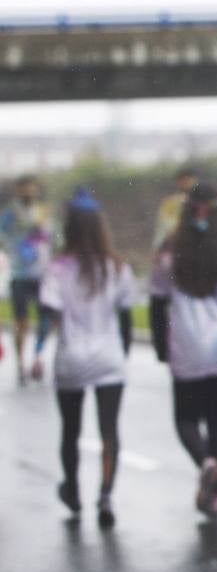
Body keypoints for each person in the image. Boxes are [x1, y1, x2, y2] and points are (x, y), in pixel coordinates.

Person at [33, 189, 139, 527]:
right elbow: (124, 318)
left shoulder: (58, 269)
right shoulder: (116, 267)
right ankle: (106, 494)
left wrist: (36, 354)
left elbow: (48, 315)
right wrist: (122, 354)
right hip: (109, 357)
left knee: (70, 430)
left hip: (71, 358)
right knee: (109, 429)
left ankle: (73, 490)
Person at [149, 183, 217, 519]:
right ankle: (215, 496)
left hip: (188, 343)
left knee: (185, 419)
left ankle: (204, 462)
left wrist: (161, 347)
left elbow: (156, 302)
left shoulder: (169, 252)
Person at [0, 175, 54, 385]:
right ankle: (21, 363)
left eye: (32, 189)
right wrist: (16, 246)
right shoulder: (10, 214)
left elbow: (56, 237)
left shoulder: (44, 212)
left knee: (45, 321)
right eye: (24, 189)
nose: (29, 193)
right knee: (20, 321)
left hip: (42, 274)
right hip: (20, 274)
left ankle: (38, 356)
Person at [152, 166, 199, 252]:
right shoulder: (170, 202)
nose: (186, 182)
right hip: (176, 242)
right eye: (183, 180)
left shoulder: (201, 201)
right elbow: (164, 222)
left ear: (195, 181)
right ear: (178, 182)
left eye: (189, 180)